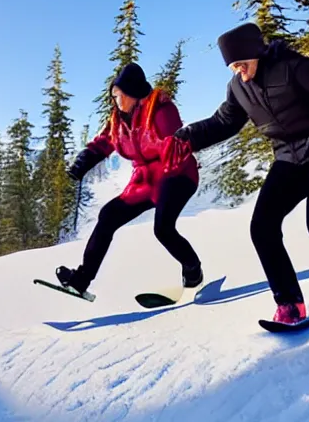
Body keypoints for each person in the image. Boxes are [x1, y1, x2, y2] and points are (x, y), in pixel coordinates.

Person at [164, 22, 309, 324]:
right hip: (288, 159)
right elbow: (224, 122)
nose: (237, 68)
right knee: (262, 227)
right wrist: (186, 137)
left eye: (240, 61)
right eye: (231, 65)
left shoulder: (293, 67)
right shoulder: (238, 87)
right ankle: (289, 304)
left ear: (256, 52)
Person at [58, 62, 203, 295]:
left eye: (119, 95)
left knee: (163, 228)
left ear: (133, 93)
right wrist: (83, 161)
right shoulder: (119, 120)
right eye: (113, 96)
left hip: (176, 173)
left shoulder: (161, 110)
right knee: (108, 216)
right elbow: (105, 142)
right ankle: (82, 279)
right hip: (145, 180)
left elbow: (173, 142)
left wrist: (168, 179)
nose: (115, 101)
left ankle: (192, 267)